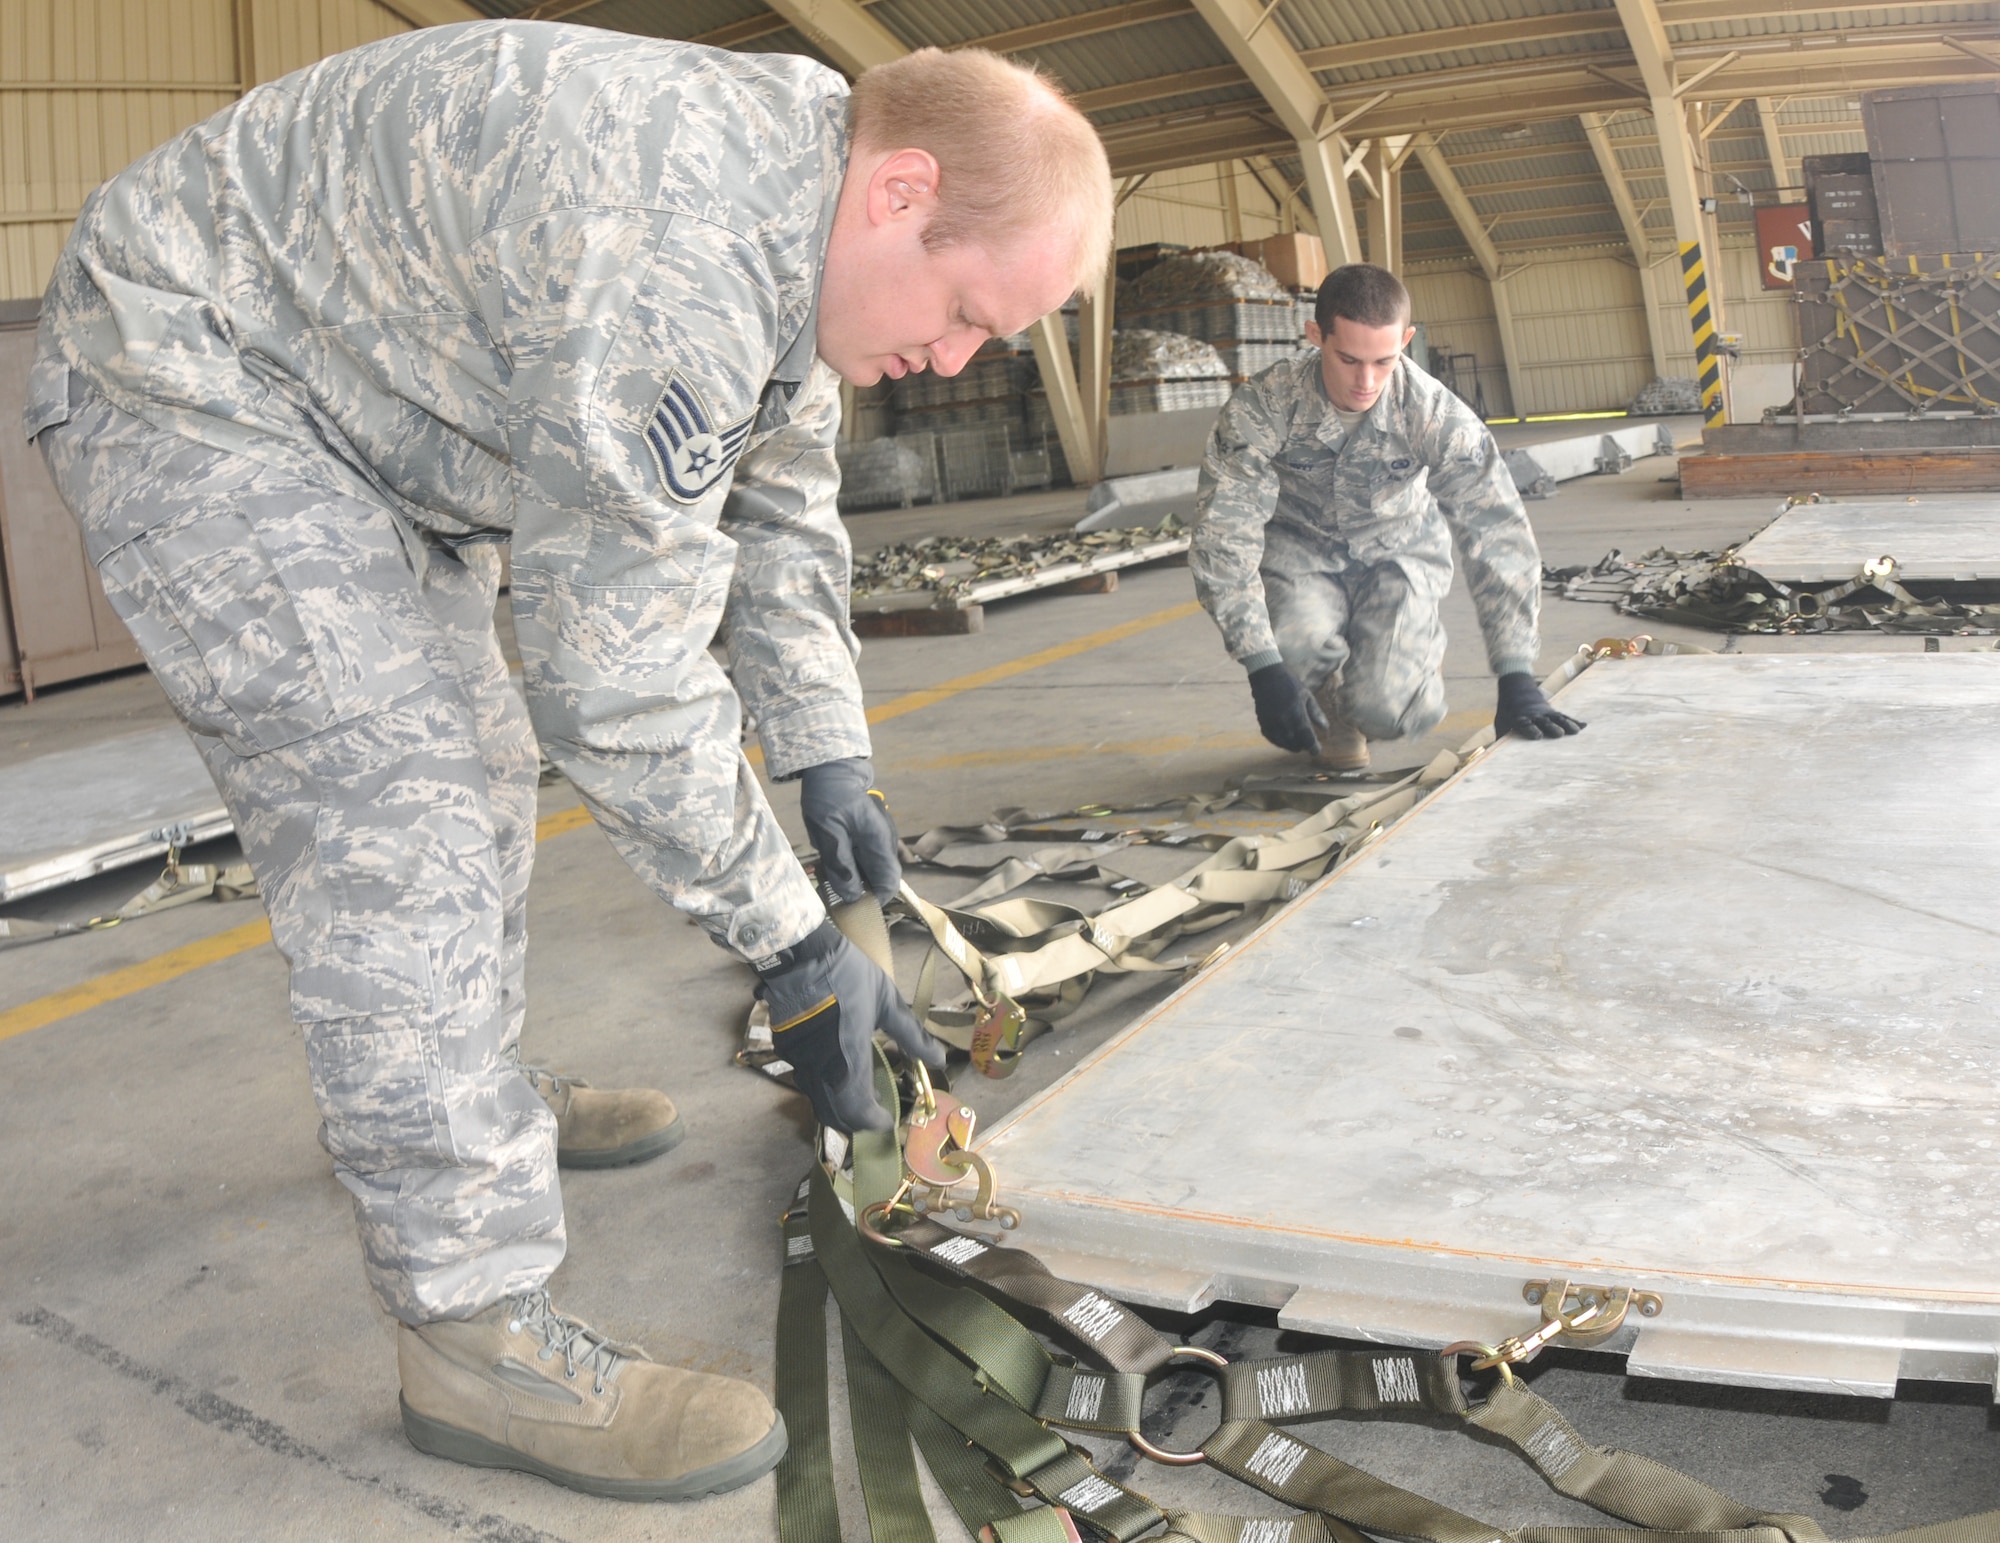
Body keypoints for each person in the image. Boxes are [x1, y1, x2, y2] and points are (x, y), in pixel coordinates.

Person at [26, 20, 1111, 1501]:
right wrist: (788, 940)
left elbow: (775, 502)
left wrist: (825, 756)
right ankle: (470, 1332)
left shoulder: (805, 214)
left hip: (366, 414)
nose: (958, 361)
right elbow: (614, 681)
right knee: (393, 803)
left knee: (471, 757)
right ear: (900, 190)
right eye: (971, 311)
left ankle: (467, 1086)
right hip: (199, 376)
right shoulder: (684, 239)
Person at [1190, 263, 1583, 770]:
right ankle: (1333, 706)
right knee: (1293, 648)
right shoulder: (1264, 406)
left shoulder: (1434, 413)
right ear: (1316, 336)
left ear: (1408, 340)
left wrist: (1517, 675)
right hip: (1299, 553)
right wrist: (1261, 666)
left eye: (1384, 360)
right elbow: (1224, 530)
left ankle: (1397, 664)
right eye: (1349, 359)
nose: (1366, 380)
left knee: (1393, 712)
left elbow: (1496, 529)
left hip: (1399, 552)